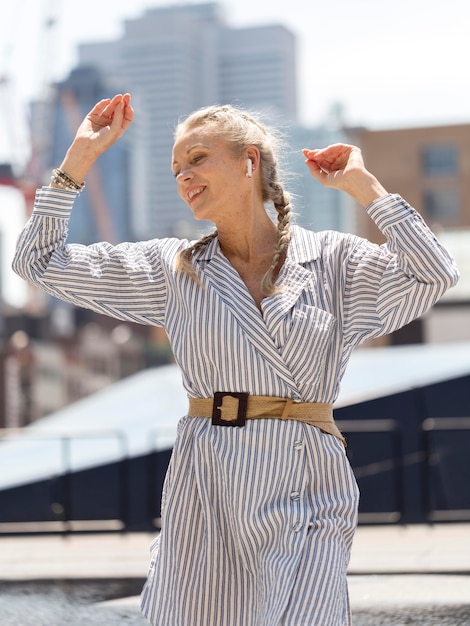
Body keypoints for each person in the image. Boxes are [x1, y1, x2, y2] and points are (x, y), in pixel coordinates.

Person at [12, 93, 459, 626]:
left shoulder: (335, 261)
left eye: (197, 158)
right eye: (177, 167)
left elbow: (435, 273)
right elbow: (36, 260)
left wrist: (366, 188)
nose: (183, 176)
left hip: (308, 481)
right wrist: (79, 160)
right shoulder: (170, 268)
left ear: (249, 160)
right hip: (210, 482)